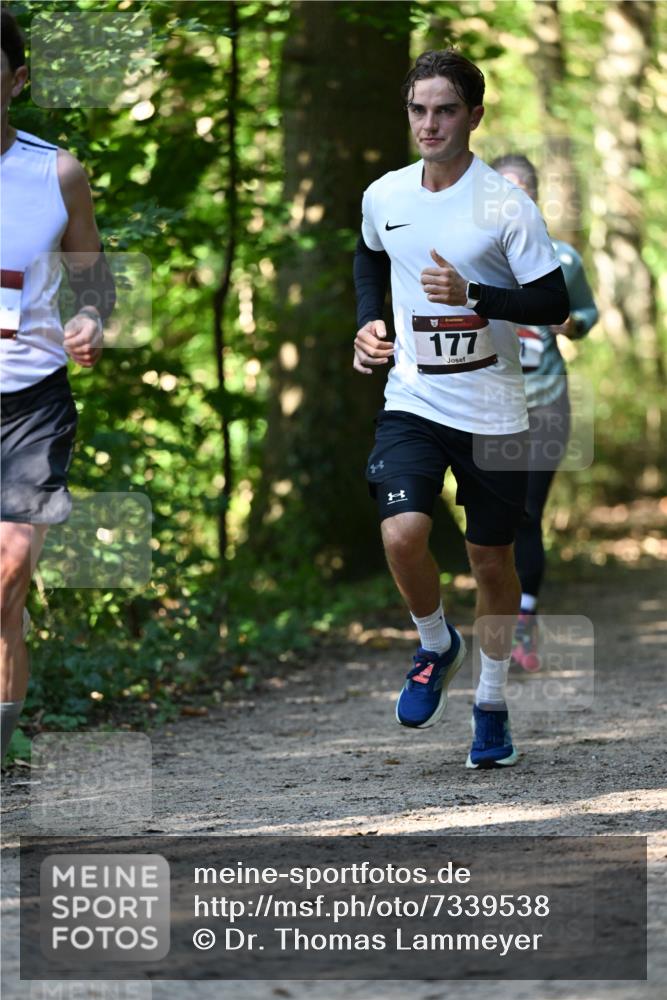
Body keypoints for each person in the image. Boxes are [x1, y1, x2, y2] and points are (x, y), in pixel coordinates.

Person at [352, 49, 569, 768]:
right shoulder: (384, 195)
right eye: (418, 109)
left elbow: (552, 304)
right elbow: (368, 255)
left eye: (445, 110)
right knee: (403, 534)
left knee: (490, 560)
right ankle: (434, 640)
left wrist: (474, 297)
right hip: (413, 398)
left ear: (474, 116)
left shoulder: (505, 206)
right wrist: (368, 320)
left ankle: (491, 703)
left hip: (496, 411)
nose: (430, 123)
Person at [0, 9, 115, 760]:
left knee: (7, 575)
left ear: (16, 81)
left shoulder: (55, 172)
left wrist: (93, 322)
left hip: (31, 398)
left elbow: (94, 282)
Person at [490, 154, 598, 672]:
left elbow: (587, 312)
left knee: (528, 512)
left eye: (521, 191)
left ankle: (521, 628)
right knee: (494, 520)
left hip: (547, 401)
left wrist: (569, 324)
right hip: (488, 406)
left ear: (532, 197)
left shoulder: (562, 259)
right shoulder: (474, 258)